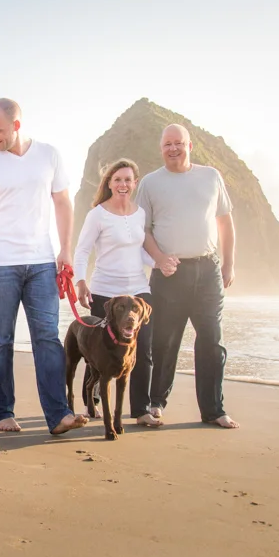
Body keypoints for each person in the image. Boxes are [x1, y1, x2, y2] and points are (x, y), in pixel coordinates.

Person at [0, 98, 88, 435]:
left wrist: (65, 250)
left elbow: (63, 203)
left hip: (42, 262)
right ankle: (1, 412)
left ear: (17, 125)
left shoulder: (48, 155)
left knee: (48, 339)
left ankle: (58, 414)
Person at [135, 123, 240, 428]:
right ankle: (156, 403)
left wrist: (228, 264)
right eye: (167, 144)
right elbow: (144, 230)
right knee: (164, 342)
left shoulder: (210, 176)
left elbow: (225, 223)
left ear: (189, 146)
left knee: (211, 341)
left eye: (178, 143)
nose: (173, 149)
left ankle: (214, 410)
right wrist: (158, 258)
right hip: (169, 274)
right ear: (161, 148)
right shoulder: (151, 183)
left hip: (208, 270)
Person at [73, 158, 161, 427]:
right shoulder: (97, 214)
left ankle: (141, 409)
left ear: (135, 183)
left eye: (127, 180)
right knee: (98, 354)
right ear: (109, 183)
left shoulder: (140, 213)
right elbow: (83, 250)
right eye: (117, 180)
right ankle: (93, 402)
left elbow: (140, 250)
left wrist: (161, 263)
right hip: (105, 293)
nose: (123, 184)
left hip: (137, 290)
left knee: (142, 349)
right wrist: (80, 282)